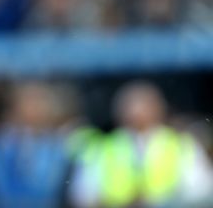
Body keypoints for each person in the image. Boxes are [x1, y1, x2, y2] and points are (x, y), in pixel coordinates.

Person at [68, 81, 213, 207]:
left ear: (159, 109)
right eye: (130, 106)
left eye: (143, 105)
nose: (136, 112)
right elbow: (82, 195)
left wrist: (160, 203)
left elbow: (202, 192)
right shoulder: (103, 148)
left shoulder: (181, 145)